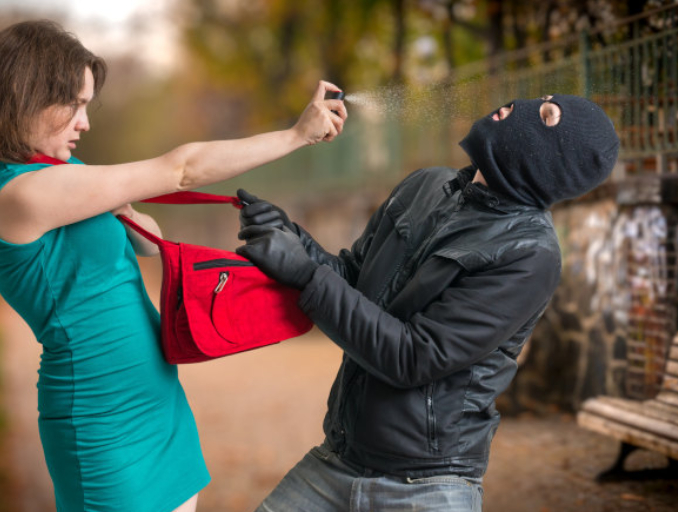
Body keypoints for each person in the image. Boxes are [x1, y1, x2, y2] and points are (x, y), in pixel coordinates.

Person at [0, 20, 346, 512]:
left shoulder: (61, 173)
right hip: (102, 420)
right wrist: (295, 136)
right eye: (73, 104)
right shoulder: (20, 193)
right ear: (25, 94)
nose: (85, 123)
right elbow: (180, 169)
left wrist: (128, 213)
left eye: (87, 105)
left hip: (157, 403)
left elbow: (147, 241)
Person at [235, 94, 620, 512]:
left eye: (545, 117)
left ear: (553, 160)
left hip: (426, 487)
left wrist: (305, 273)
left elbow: (413, 357)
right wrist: (292, 238)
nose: (517, 105)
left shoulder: (529, 253)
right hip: (338, 458)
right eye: (539, 99)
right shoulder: (425, 186)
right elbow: (352, 280)